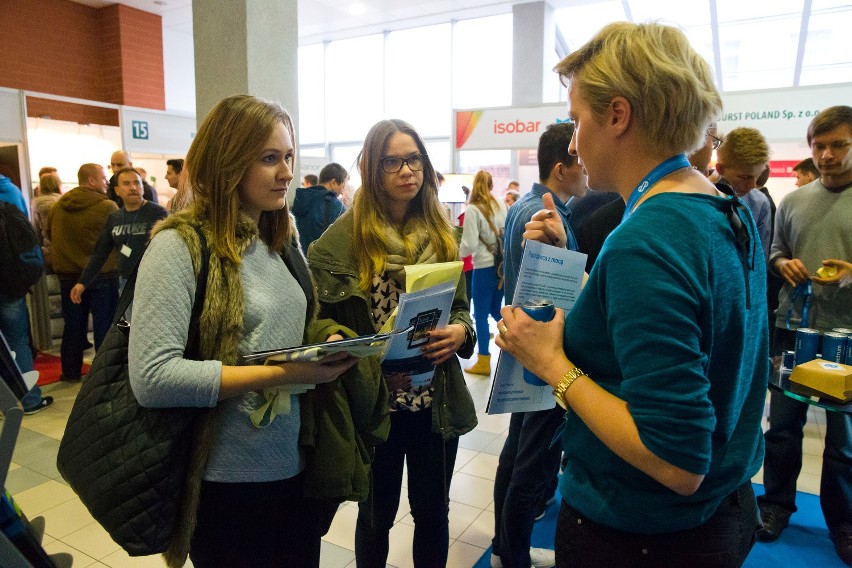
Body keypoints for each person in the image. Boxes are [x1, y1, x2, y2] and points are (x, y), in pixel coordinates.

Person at [496, 22, 768, 567]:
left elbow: (677, 460)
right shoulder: (724, 209)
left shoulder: (646, 238)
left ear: (618, 115)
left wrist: (552, 365)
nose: (573, 143)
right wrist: (580, 282)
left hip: (641, 533)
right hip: (723, 512)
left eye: (577, 121)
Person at [128, 95, 359, 568]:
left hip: (293, 463)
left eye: (289, 156)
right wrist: (281, 375)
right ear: (228, 161)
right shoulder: (179, 246)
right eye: (269, 158)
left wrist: (325, 343)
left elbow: (290, 324)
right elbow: (153, 377)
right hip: (223, 480)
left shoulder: (282, 238)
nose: (287, 172)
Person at [308, 118, 477, 568]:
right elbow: (318, 324)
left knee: (432, 514)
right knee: (375, 516)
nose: (407, 170)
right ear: (371, 169)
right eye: (392, 162)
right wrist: (359, 356)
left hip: (433, 398)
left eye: (414, 159)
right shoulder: (339, 244)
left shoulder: (442, 236)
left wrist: (461, 333)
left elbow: (462, 311)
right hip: (376, 403)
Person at [757, 105, 852, 565]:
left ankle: (845, 523)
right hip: (794, 328)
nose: (827, 155)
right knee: (783, 428)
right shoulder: (793, 201)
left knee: (845, 440)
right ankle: (774, 506)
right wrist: (782, 264)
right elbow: (776, 251)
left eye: (839, 145)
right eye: (819, 146)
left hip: (849, 338)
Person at [492, 121, 587, 568]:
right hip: (540, 352)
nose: (586, 173)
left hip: (528, 349)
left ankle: (505, 549)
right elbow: (551, 297)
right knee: (530, 465)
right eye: (578, 163)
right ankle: (512, 556)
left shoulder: (530, 209)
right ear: (560, 169)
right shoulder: (541, 214)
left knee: (518, 456)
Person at [47, 163, 119, 382]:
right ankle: (103, 376)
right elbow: (116, 241)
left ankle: (70, 372)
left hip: (68, 276)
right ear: (91, 181)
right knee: (104, 328)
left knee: (73, 327)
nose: (106, 182)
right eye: (103, 178)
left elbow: (50, 235)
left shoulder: (58, 207)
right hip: (102, 276)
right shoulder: (107, 208)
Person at [70, 167, 167, 301]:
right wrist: (83, 282)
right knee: (129, 321)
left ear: (143, 188)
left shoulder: (158, 213)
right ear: (117, 190)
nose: (133, 187)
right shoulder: (114, 218)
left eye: (137, 183)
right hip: (126, 282)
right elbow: (100, 253)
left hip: (156, 282)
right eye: (126, 184)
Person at [0, 173, 53, 414]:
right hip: (11, 284)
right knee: (18, 341)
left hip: (10, 283)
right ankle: (30, 400)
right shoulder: (10, 195)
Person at [459, 170, 508, 376]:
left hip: (483, 268)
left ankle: (484, 361)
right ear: (490, 185)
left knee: (479, 314)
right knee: (497, 310)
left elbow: (468, 244)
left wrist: (454, 254)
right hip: (501, 267)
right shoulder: (501, 205)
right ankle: (517, 339)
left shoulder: (473, 209)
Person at [715, 127, 773, 264]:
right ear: (721, 169)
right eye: (745, 177)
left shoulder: (760, 202)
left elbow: (759, 260)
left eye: (756, 177)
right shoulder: (702, 197)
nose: (753, 185)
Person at [291, 162, 347, 254]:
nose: (342, 191)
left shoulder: (300, 199)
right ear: (333, 183)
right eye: (343, 186)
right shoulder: (336, 206)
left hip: (299, 262)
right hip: (320, 264)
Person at [31, 172, 62, 266]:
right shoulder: (63, 202)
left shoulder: (36, 205)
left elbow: (36, 231)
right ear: (57, 185)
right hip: (63, 250)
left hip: (47, 252)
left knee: (50, 279)